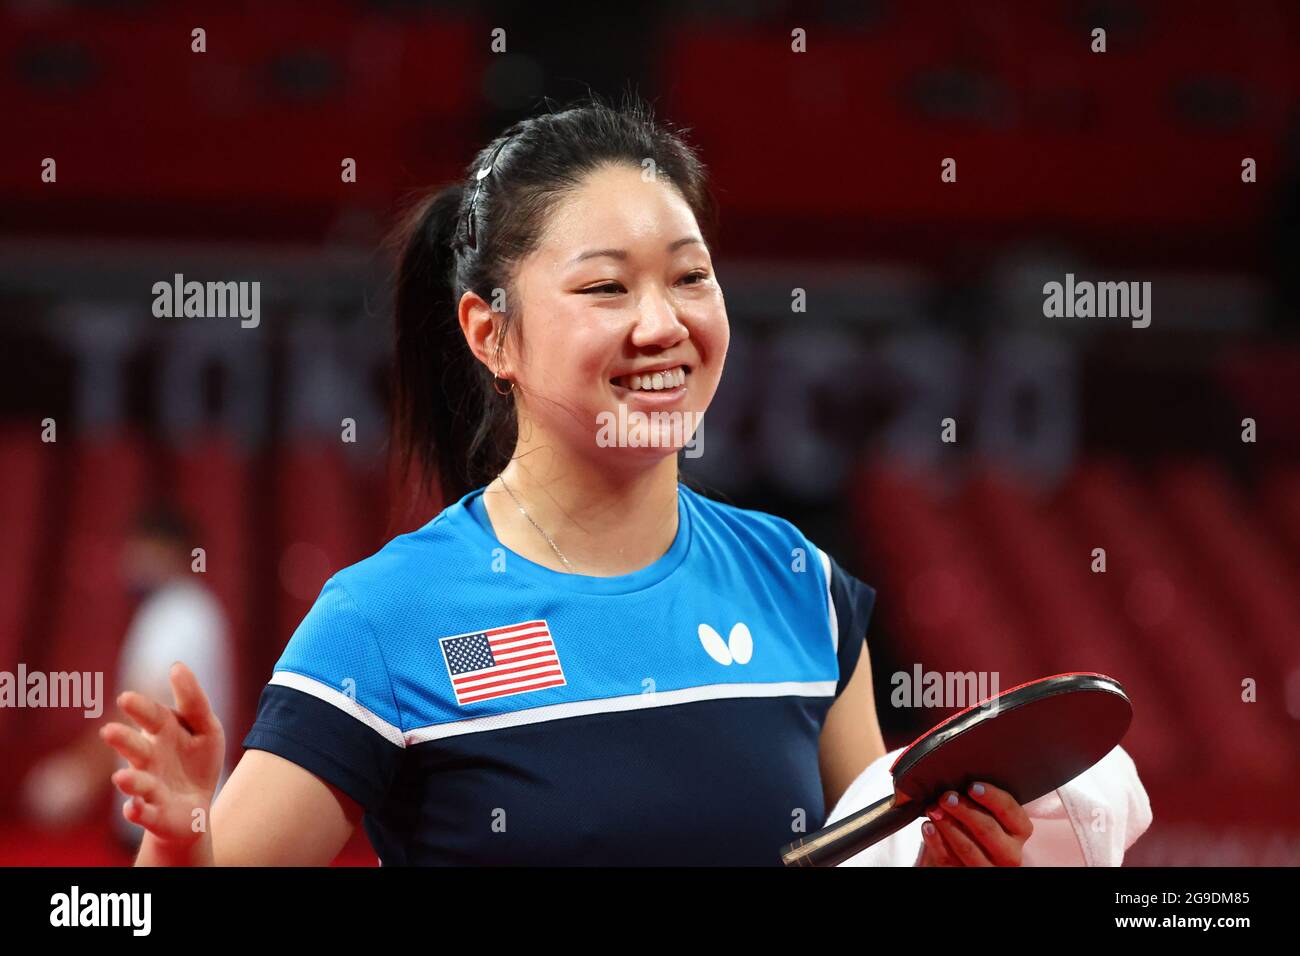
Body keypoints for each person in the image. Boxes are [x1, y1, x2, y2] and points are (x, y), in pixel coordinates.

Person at [101, 95, 1032, 866]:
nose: (662, 325)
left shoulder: (800, 586)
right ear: (489, 333)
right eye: (605, 288)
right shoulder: (387, 619)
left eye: (690, 277)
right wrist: (182, 846)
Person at [24, 503, 234, 852]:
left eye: (139, 550)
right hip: (168, 810)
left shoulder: (177, 613)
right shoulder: (189, 609)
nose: (128, 562)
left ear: (169, 552)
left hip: (169, 815)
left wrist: (78, 774)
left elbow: (141, 703)